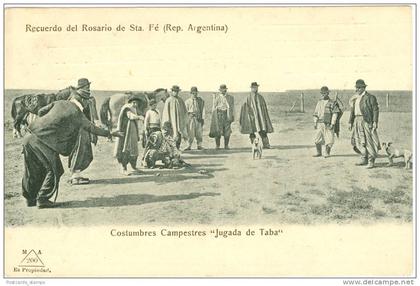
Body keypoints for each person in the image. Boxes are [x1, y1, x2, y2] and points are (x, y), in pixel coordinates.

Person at [22, 89, 122, 208]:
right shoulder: (78, 114)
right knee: (55, 169)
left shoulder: (59, 102)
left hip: (28, 136)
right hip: (42, 142)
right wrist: (110, 133)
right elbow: (93, 129)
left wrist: (47, 124)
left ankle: (30, 199)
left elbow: (41, 111)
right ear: (84, 101)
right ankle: (43, 199)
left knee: (33, 169)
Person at [67, 78, 99, 185]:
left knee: (85, 151)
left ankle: (78, 174)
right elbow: (76, 113)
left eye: (88, 87)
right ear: (81, 87)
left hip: (84, 129)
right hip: (78, 130)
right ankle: (74, 176)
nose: (88, 89)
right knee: (78, 150)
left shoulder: (84, 98)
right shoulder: (75, 98)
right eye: (87, 87)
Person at [349, 79, 381, 169]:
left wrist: (374, 122)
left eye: (360, 87)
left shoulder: (370, 97)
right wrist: (350, 122)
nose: (358, 89)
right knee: (359, 141)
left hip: (366, 120)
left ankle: (371, 161)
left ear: (364, 88)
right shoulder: (355, 98)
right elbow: (352, 111)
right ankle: (364, 158)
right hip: (357, 120)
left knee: (369, 141)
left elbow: (375, 110)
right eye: (357, 87)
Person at [114, 95, 144, 175]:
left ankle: (134, 167)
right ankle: (124, 168)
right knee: (126, 149)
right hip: (126, 133)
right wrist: (139, 117)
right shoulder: (127, 108)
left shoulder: (133, 108)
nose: (135, 104)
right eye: (134, 102)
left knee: (134, 150)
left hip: (132, 133)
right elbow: (130, 116)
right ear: (130, 102)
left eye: (136, 103)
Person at [239, 82, 274, 148]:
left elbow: (263, 109)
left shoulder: (260, 97)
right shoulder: (248, 97)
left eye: (256, 87)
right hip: (251, 117)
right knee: (251, 131)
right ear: (251, 88)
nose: (255, 89)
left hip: (260, 117)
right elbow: (244, 108)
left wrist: (262, 117)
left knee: (262, 130)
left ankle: (266, 144)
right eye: (254, 88)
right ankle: (254, 145)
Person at [313, 86, 341, 158]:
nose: (323, 94)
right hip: (320, 123)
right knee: (317, 138)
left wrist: (332, 123)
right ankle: (319, 152)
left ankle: (327, 153)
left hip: (328, 123)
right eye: (322, 93)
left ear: (328, 93)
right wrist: (315, 122)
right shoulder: (319, 102)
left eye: (325, 93)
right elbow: (316, 113)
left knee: (329, 138)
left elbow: (335, 114)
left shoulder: (332, 103)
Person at [161, 85, 188, 150]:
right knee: (171, 136)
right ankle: (171, 150)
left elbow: (184, 111)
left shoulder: (180, 100)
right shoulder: (168, 100)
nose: (176, 93)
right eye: (174, 91)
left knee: (178, 135)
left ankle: (177, 149)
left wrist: (184, 121)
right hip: (171, 122)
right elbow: (166, 113)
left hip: (179, 122)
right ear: (172, 91)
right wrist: (167, 123)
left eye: (177, 91)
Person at [209, 84, 235, 149]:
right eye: (221, 90)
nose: (222, 91)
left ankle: (226, 145)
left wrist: (232, 116)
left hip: (227, 115)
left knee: (227, 131)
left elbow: (232, 108)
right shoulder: (217, 98)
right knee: (218, 130)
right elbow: (213, 107)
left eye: (223, 89)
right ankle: (217, 146)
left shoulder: (230, 98)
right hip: (219, 115)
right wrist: (213, 98)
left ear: (226, 90)